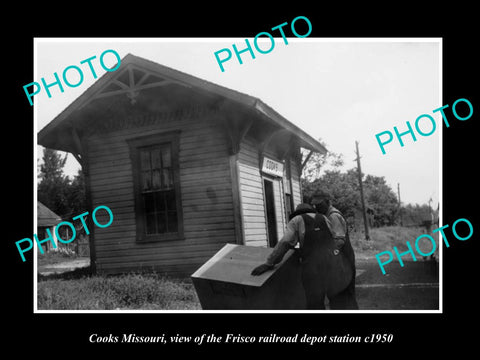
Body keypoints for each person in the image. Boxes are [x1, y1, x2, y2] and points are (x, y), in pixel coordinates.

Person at [251, 193, 358, 310]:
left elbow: (285, 242)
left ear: (297, 213)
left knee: (315, 304)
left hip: (313, 270)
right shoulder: (324, 218)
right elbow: (332, 240)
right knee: (338, 301)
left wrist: (269, 262)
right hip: (331, 267)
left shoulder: (296, 221)